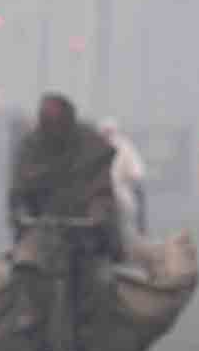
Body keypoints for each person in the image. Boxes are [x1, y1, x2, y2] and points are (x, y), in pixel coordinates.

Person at [8, 93, 122, 261]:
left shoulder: (90, 143)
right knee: (24, 267)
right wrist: (21, 213)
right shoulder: (31, 146)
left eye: (58, 124)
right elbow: (18, 189)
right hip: (41, 229)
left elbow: (101, 187)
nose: (54, 131)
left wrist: (98, 212)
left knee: (103, 275)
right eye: (48, 123)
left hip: (89, 230)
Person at [98, 117, 148, 236]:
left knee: (132, 202)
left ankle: (138, 233)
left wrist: (129, 179)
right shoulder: (92, 148)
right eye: (105, 132)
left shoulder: (125, 148)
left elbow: (137, 171)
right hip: (97, 191)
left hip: (120, 189)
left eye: (110, 131)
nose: (108, 135)